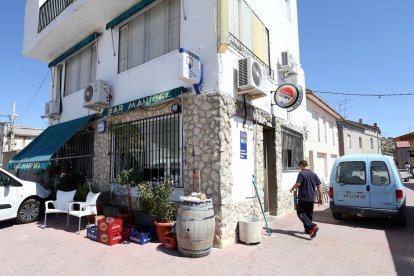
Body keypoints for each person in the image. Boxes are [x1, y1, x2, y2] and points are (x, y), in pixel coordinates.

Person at [289, 160, 323, 239]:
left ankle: (312, 226)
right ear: (307, 165)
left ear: (301, 165)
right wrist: (320, 197)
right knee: (308, 214)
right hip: (311, 198)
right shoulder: (314, 174)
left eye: (299, 167)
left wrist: (292, 189)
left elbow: (298, 184)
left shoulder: (301, 173)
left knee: (300, 213)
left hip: (303, 198)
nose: (300, 168)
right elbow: (319, 186)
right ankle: (309, 231)